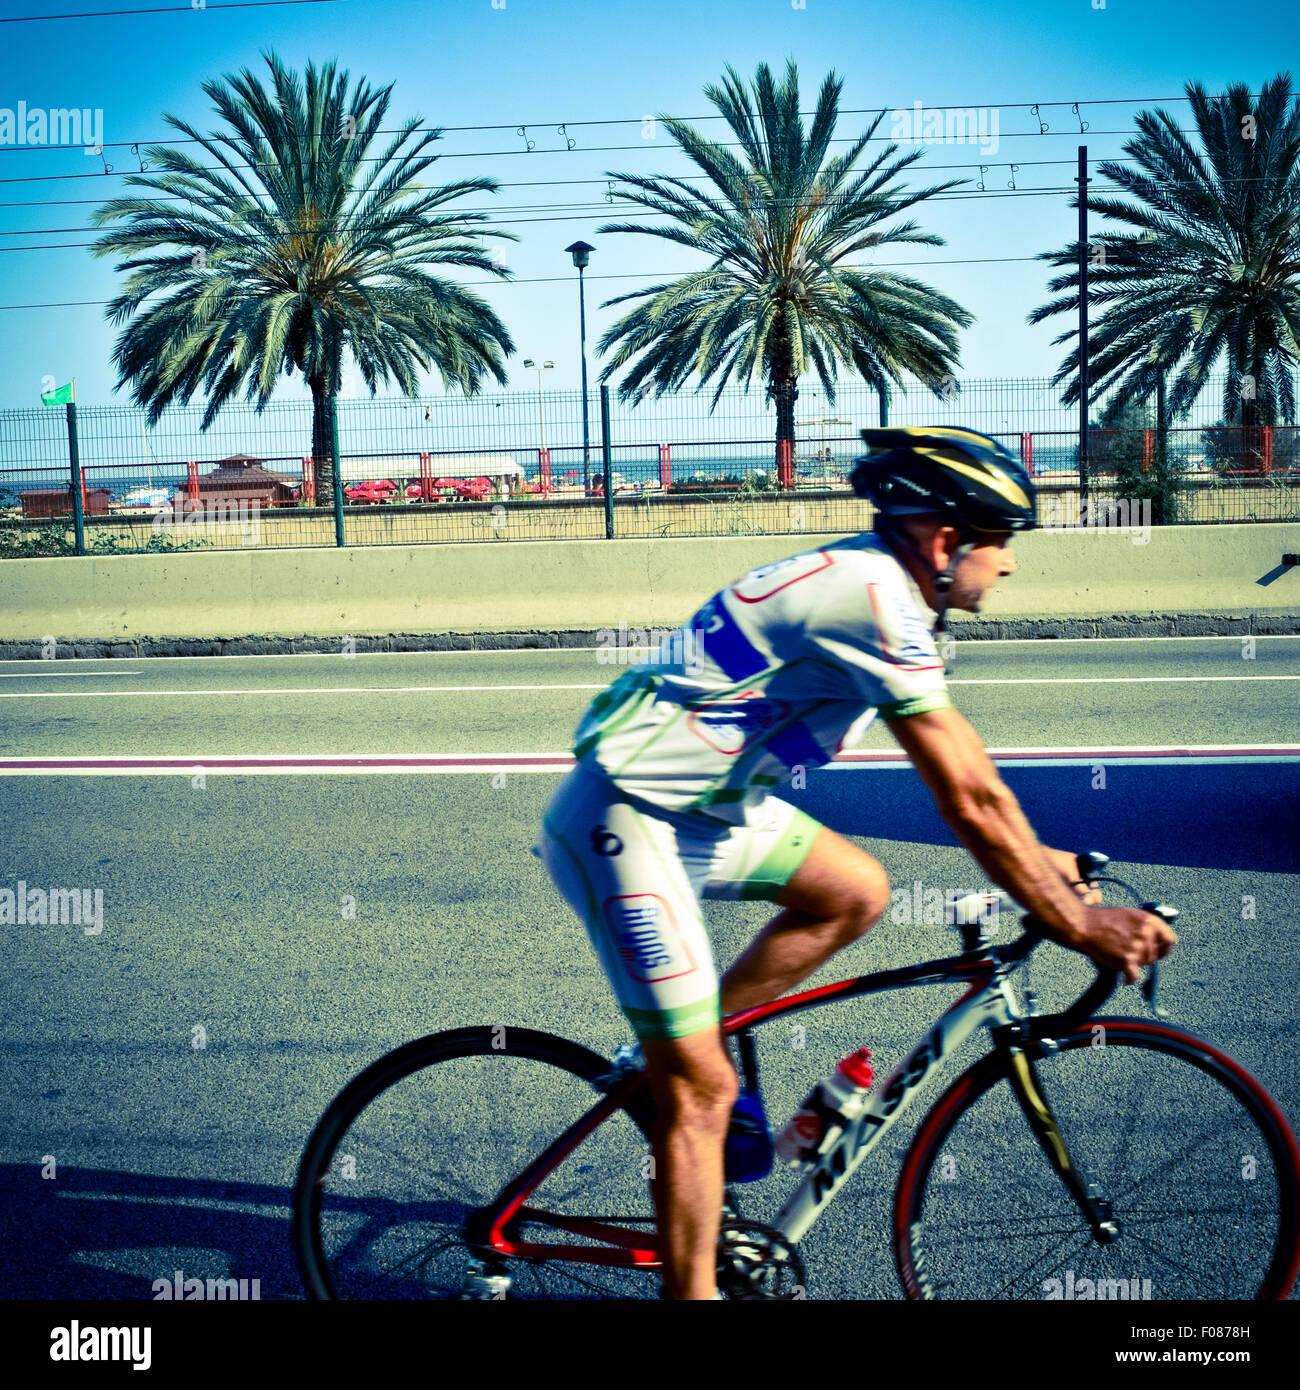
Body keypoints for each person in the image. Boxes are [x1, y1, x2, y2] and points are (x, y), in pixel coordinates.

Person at [535, 425, 1177, 1301]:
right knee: (705, 1095)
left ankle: (676, 1051)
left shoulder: (879, 586)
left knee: (857, 890)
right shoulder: (874, 598)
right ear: (948, 542)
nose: (1011, 565)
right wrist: (1073, 921)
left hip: (702, 808)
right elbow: (969, 796)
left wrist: (1041, 861)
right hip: (626, 818)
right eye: (1004, 542)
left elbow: (975, 788)